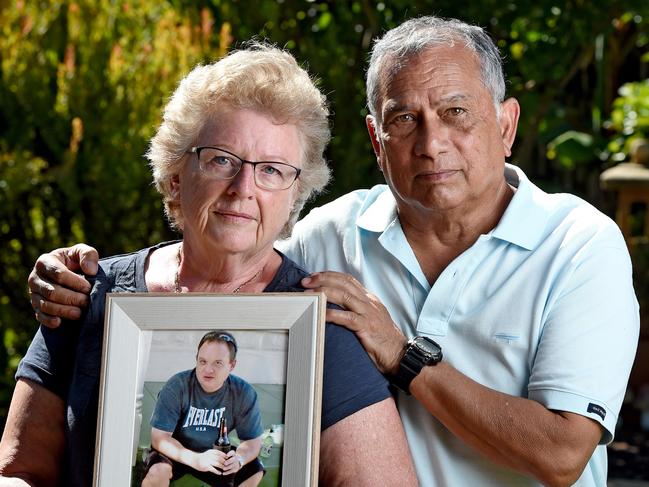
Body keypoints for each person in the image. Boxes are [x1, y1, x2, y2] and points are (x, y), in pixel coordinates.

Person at [19, 16, 640, 486]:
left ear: (506, 124)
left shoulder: (578, 245)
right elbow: (232, 246)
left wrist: (403, 356)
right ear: (377, 139)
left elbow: (563, 455)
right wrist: (65, 272)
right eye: (403, 120)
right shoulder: (333, 233)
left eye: (456, 113)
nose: (431, 144)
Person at [0, 44, 416, 487]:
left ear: (295, 195)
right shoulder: (88, 296)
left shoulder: (321, 329)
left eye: (271, 170)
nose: (243, 188)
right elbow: (18, 471)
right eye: (222, 159)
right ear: (176, 178)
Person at [142, 331, 263, 487]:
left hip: (215, 453)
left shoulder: (243, 393)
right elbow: (159, 438)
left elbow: (252, 442)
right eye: (203, 361)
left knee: (254, 470)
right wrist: (196, 459)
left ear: (231, 365)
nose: (208, 370)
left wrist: (239, 459)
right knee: (158, 471)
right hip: (177, 451)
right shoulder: (177, 386)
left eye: (217, 363)